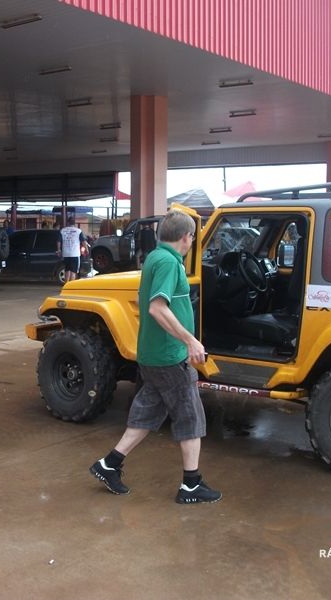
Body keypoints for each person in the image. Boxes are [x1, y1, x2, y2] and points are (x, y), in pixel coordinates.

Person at [89, 210, 221, 504]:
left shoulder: (154, 258)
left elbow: (146, 299)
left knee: (147, 413)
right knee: (191, 417)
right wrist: (190, 340)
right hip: (169, 357)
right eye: (192, 237)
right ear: (186, 237)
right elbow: (156, 307)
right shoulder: (169, 263)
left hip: (153, 355)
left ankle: (109, 464)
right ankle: (191, 485)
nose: (191, 242)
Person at [56, 217, 87, 282]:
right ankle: (71, 286)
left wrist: (59, 250)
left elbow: (58, 241)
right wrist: (86, 249)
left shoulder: (63, 230)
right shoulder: (78, 231)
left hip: (66, 254)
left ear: (68, 223)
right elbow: (83, 241)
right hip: (75, 254)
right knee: (73, 272)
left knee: (67, 270)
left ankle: (66, 285)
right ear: (74, 223)